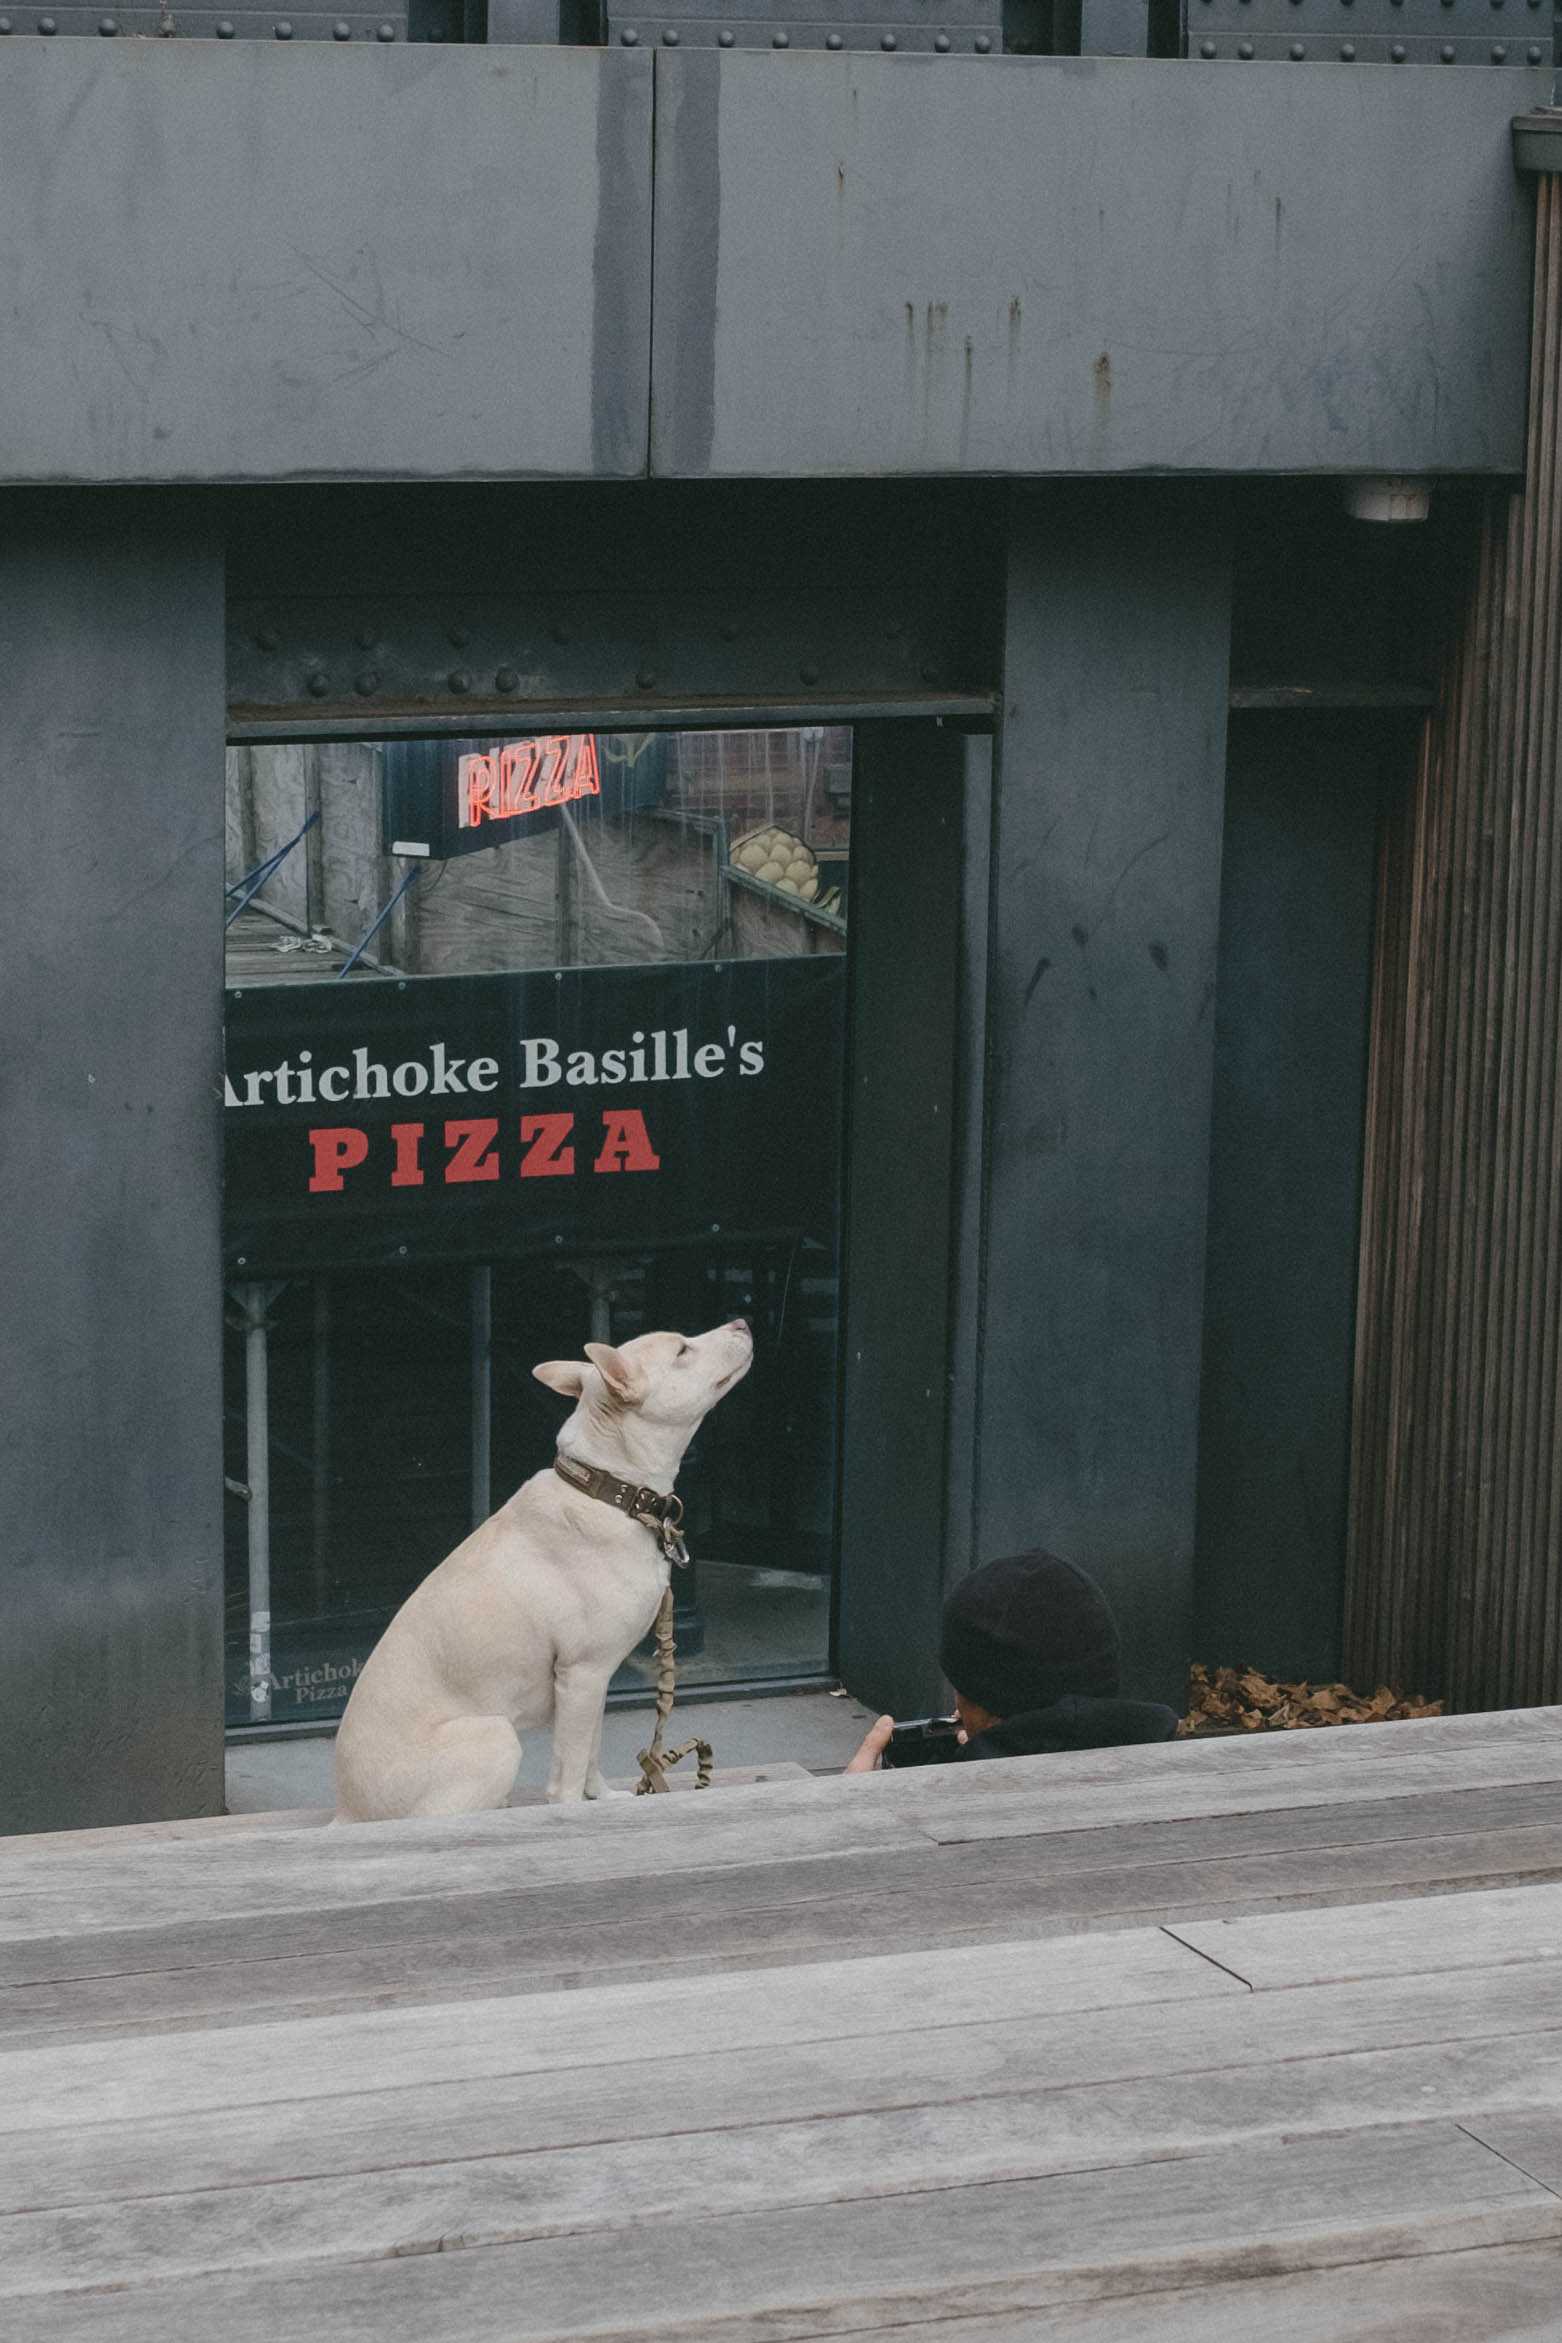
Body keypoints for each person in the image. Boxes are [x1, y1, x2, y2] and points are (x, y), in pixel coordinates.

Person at [845, 1548, 1180, 1771]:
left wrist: (854, 1812)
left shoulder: (950, 1819)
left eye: (961, 1688)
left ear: (992, 1713)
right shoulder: (1172, 1769)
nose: (957, 1710)